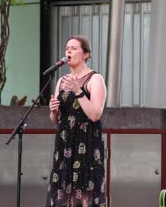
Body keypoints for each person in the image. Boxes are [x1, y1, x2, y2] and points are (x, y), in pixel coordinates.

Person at [46, 35, 107, 207]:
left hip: (86, 142)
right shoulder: (61, 81)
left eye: (73, 48)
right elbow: (55, 120)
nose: (68, 51)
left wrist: (78, 91)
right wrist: (53, 110)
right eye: (67, 48)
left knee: (84, 191)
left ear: (86, 54)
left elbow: (95, 114)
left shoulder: (95, 79)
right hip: (65, 143)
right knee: (62, 192)